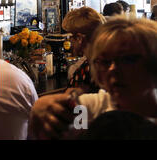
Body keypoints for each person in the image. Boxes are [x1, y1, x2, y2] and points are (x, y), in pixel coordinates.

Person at [29, 18, 157, 140]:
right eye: (104, 62)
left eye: (127, 59)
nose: (112, 69)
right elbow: (70, 120)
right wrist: (41, 107)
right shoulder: (96, 108)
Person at [63, 7, 106, 93]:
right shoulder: (105, 61)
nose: (68, 41)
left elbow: (78, 106)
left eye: (69, 37)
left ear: (79, 38)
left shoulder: (87, 69)